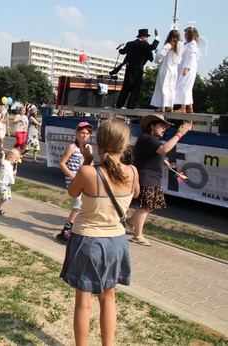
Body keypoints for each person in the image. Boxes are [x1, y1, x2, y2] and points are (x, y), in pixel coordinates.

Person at [60, 118, 139, 346]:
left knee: (84, 302)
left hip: (87, 240)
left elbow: (72, 192)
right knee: (109, 298)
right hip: (116, 241)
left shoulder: (87, 173)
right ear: (125, 145)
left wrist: (87, 162)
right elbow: (135, 194)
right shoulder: (132, 172)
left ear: (99, 144)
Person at [128, 114, 192, 246]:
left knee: (149, 206)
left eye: (166, 128)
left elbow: (156, 154)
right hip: (147, 178)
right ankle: (138, 235)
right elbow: (164, 149)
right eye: (162, 126)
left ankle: (131, 221)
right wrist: (179, 134)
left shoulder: (150, 140)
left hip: (153, 178)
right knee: (146, 206)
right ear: (152, 125)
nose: (164, 129)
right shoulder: (148, 138)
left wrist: (164, 162)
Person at [56, 121, 94, 243]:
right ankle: (66, 230)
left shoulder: (89, 148)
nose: (84, 135)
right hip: (74, 180)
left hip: (85, 180)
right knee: (78, 206)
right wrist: (72, 176)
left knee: (86, 205)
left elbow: (90, 164)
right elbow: (62, 163)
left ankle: (79, 228)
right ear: (77, 133)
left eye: (87, 133)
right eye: (82, 133)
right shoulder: (72, 147)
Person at [116, 28, 160, 109]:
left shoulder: (130, 44)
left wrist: (121, 47)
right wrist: (157, 37)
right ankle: (131, 105)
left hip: (129, 68)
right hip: (138, 69)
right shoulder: (143, 44)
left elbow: (122, 52)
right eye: (147, 37)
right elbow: (153, 47)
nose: (147, 39)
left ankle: (119, 104)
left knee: (126, 87)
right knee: (135, 88)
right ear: (143, 37)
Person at [150, 30, 182, 112]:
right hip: (174, 70)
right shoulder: (179, 46)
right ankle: (170, 106)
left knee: (164, 87)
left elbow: (160, 56)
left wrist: (157, 52)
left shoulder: (168, 45)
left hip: (166, 69)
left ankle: (163, 106)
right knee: (171, 88)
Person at [174, 26, 201, 113]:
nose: (184, 35)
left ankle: (183, 107)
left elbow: (191, 57)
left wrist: (186, 68)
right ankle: (189, 106)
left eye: (186, 33)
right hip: (183, 67)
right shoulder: (187, 44)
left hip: (188, 68)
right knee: (185, 86)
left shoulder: (192, 44)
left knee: (184, 86)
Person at [0, 148, 21, 216]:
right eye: (15, 160)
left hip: (7, 184)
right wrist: (3, 155)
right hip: (2, 183)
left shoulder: (10, 165)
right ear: (10, 157)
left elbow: (8, 173)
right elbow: (2, 163)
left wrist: (13, 172)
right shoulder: (5, 162)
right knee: (4, 197)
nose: (16, 162)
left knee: (3, 198)